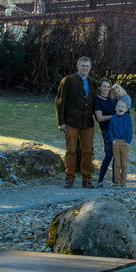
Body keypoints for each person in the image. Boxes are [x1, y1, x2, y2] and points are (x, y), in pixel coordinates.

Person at [55, 56, 96, 189]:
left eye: (87, 66)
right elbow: (60, 102)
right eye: (83, 65)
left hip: (87, 123)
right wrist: (61, 122)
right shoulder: (68, 80)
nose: (85, 68)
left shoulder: (93, 82)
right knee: (71, 151)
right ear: (78, 66)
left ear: (90, 68)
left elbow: (96, 103)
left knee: (87, 151)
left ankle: (86, 179)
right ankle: (69, 178)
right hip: (71, 121)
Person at [93, 77, 117, 188]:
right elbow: (100, 118)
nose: (106, 89)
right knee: (109, 154)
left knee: (116, 155)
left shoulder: (113, 99)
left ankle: (115, 181)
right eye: (104, 86)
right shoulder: (97, 100)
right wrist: (114, 116)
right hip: (106, 129)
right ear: (100, 87)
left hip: (117, 129)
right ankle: (100, 180)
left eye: (108, 87)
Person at [109, 99, 133, 188]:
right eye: (119, 106)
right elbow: (110, 130)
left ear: (126, 109)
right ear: (116, 108)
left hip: (125, 142)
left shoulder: (128, 117)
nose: (120, 108)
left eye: (123, 107)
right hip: (116, 141)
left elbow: (130, 129)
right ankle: (117, 182)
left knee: (124, 163)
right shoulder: (113, 118)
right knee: (117, 163)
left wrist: (128, 141)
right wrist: (113, 140)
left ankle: (123, 181)